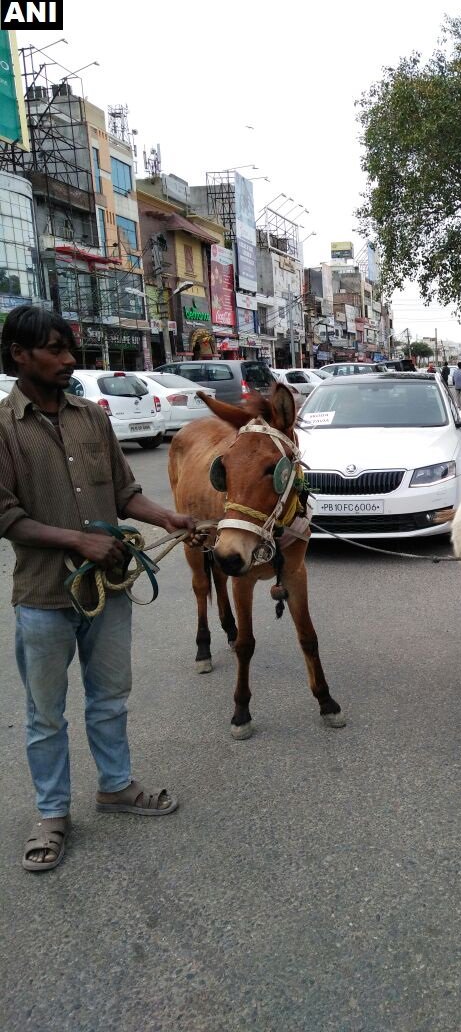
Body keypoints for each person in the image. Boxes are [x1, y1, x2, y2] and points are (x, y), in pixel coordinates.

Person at [0, 306, 197, 873]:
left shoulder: (92, 417)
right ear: (19, 353)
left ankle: (115, 786)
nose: (69, 361)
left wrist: (168, 518)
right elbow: (4, 514)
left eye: (70, 350)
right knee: (45, 715)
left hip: (107, 590)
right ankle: (52, 814)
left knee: (109, 699)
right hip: (42, 597)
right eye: (56, 350)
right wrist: (78, 542)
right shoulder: (3, 427)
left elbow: (125, 491)